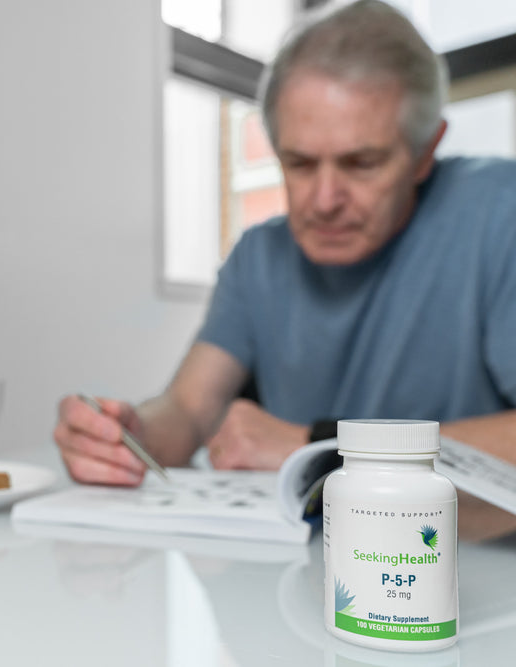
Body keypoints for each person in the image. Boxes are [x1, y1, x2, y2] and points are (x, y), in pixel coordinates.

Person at [53, 0, 516, 537]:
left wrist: (315, 447)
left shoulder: (499, 215)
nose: (324, 200)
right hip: (302, 571)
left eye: (361, 164)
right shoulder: (258, 255)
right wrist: (127, 437)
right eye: (299, 163)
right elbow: (187, 408)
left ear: (424, 152)